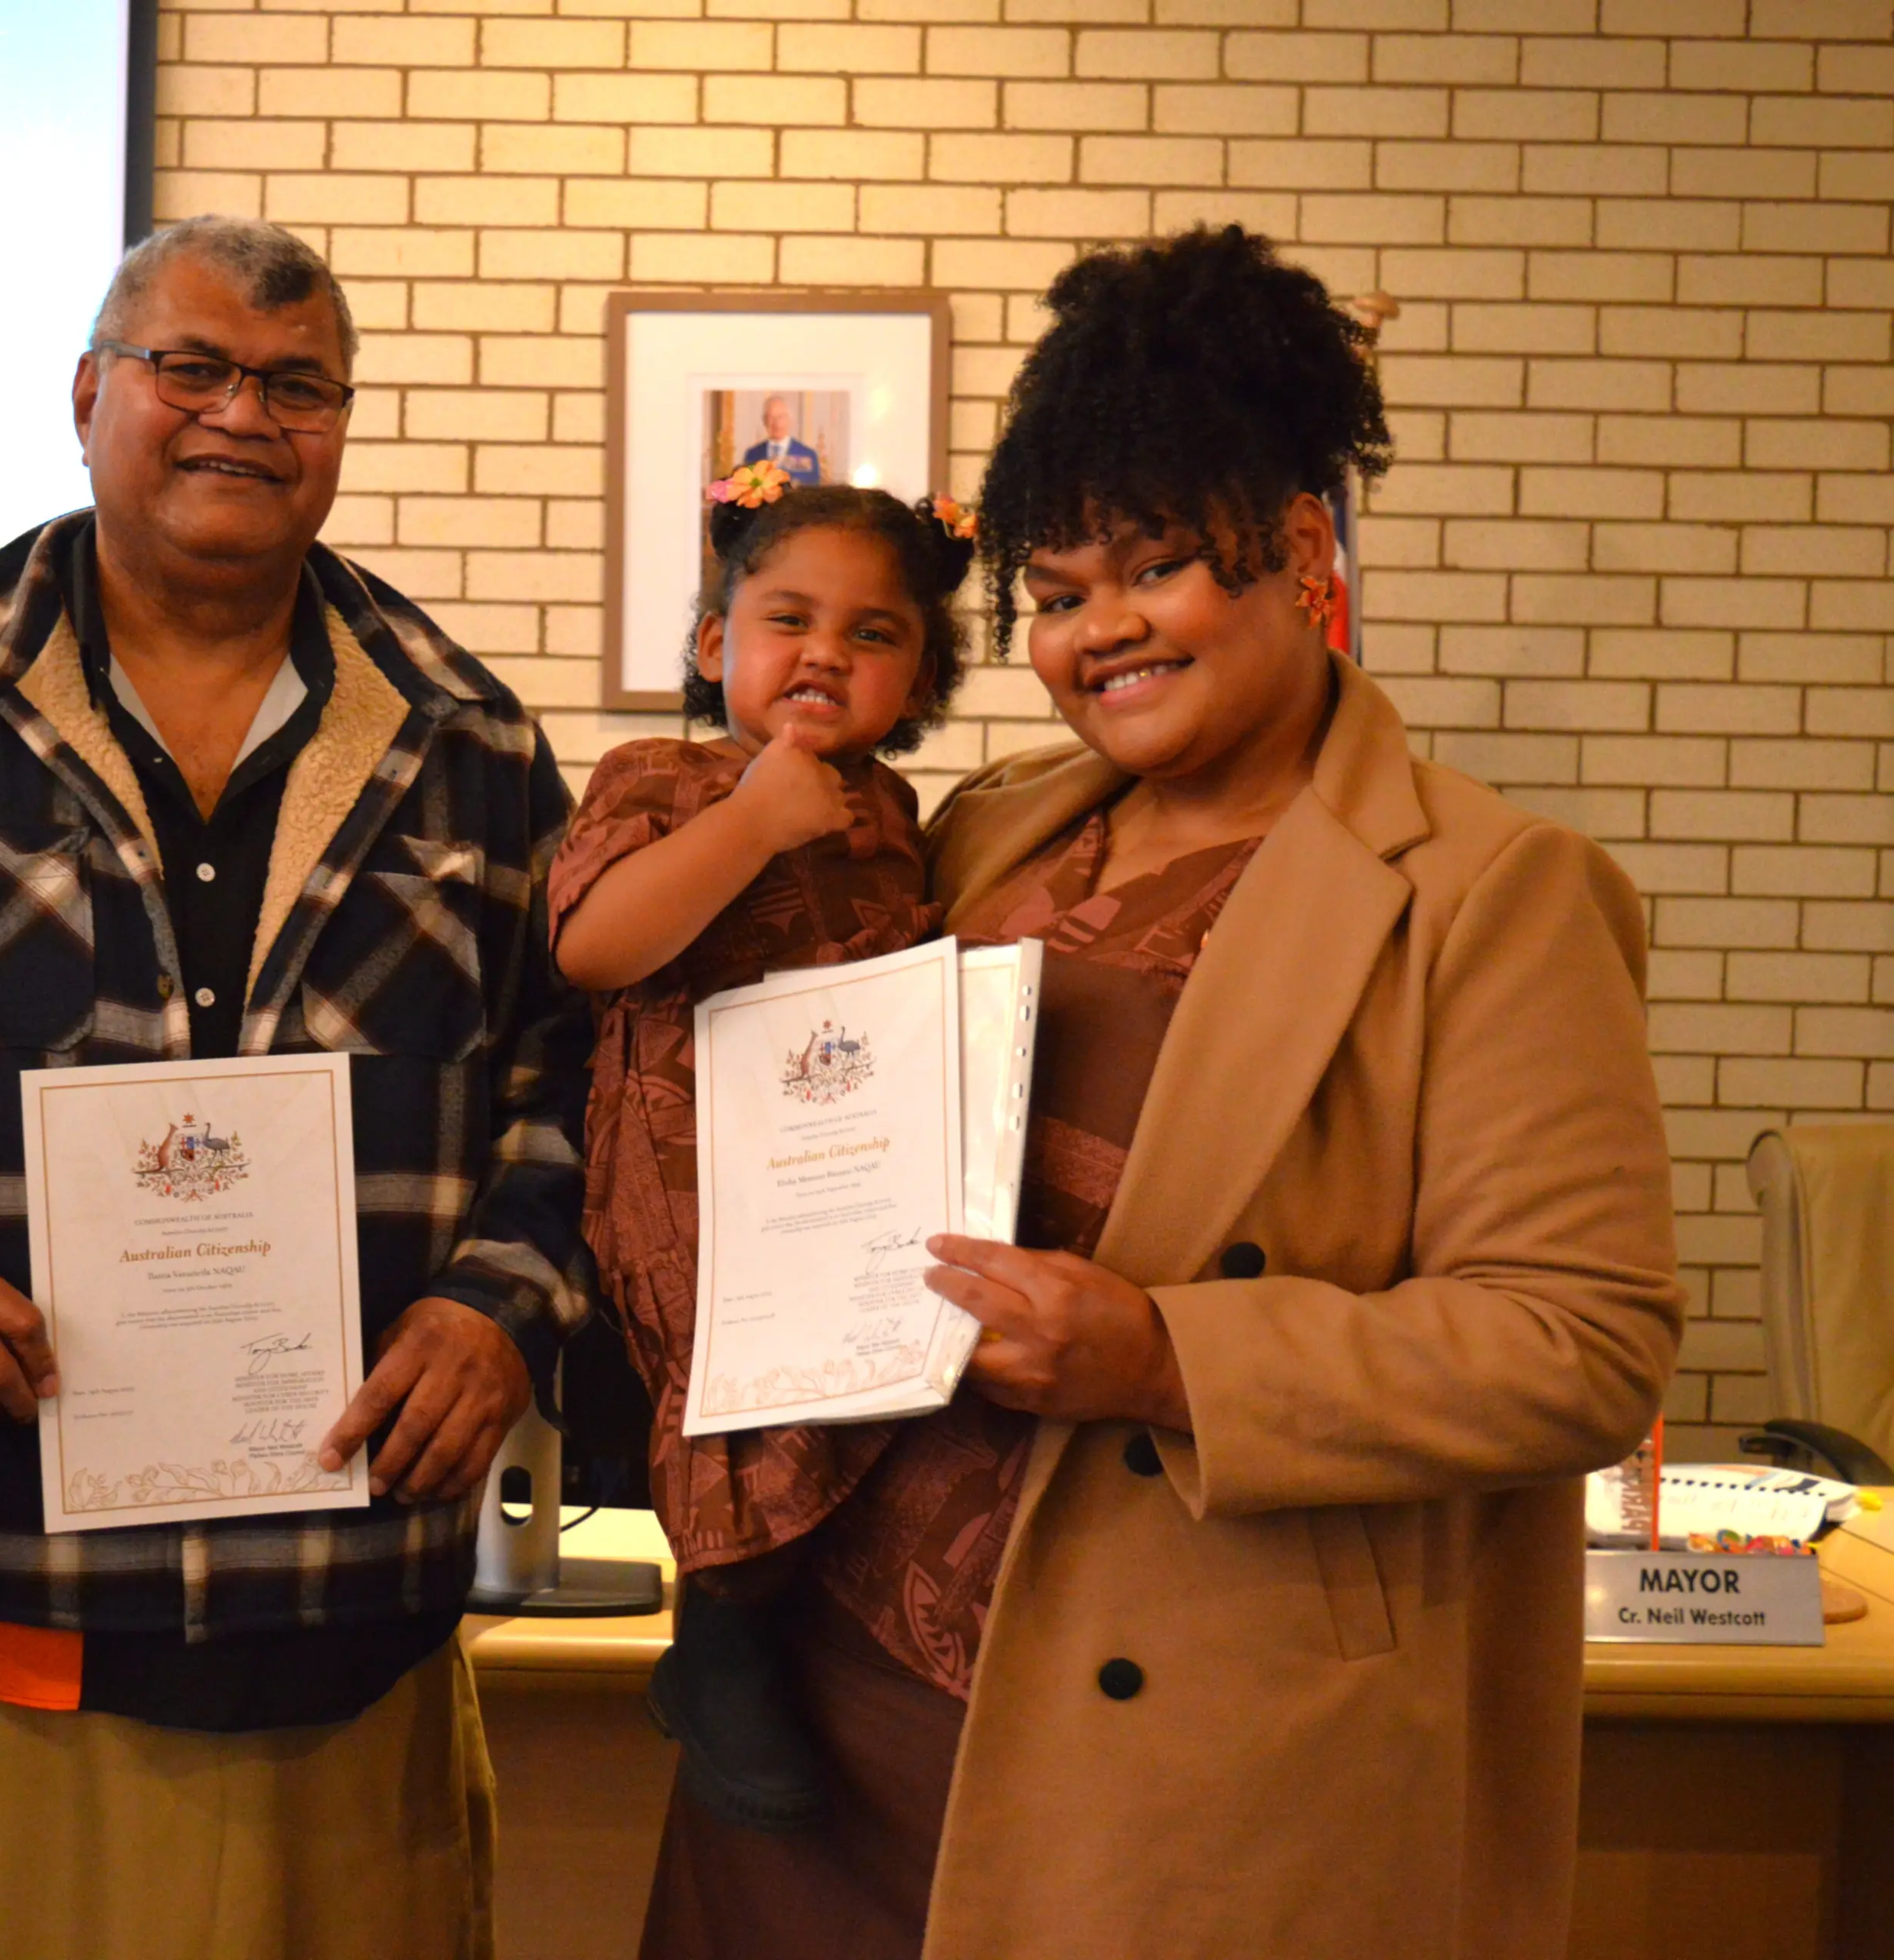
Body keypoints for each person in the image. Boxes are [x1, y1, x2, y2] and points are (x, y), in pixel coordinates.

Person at [651, 224, 1683, 1958]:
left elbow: (1579, 1341)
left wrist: (1164, 1354)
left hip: (1165, 1763)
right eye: (1053, 596)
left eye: (1151, 571)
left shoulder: (1488, 892)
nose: (1096, 634)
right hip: (820, 1726)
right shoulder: (991, 828)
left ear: (1294, 548)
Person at [0, 214, 591, 1960]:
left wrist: (505, 1306)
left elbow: (571, 1076)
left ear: (341, 424)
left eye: (294, 384)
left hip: (338, 1644)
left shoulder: (474, 746)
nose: (239, 416)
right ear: (85, 396)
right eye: (188, 368)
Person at [547, 479, 971, 1834]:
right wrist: (749, 823)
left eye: (874, 634)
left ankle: (799, 1617)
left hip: (843, 1163)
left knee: (861, 1380)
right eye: (788, 618)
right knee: (725, 1390)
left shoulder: (902, 810)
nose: (824, 655)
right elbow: (594, 946)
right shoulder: (660, 779)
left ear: (921, 676)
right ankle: (717, 1627)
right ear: (710, 640)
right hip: (688, 1161)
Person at [738, 395, 822, 486]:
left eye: (781, 417)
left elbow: (813, 492)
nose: (777, 423)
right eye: (771, 418)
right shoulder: (752, 455)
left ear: (789, 420)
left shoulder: (808, 455)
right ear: (764, 421)